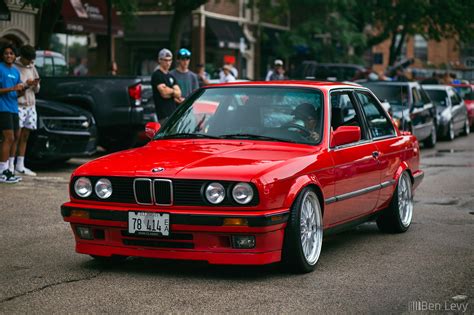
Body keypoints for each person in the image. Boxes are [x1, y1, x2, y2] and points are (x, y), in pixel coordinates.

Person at [13, 44, 40, 176]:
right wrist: (26, 84)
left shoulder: (32, 66)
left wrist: (35, 84)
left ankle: (20, 165)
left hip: (31, 105)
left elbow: (37, 89)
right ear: (22, 57)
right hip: (19, 104)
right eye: (28, 59)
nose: (30, 62)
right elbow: (14, 87)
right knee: (15, 136)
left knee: (25, 136)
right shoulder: (14, 66)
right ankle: (10, 165)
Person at [0, 44, 25, 183]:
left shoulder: (16, 71)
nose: (9, 56)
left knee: (16, 137)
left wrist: (25, 88)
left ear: (15, 56)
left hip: (14, 108)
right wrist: (12, 88)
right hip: (2, 108)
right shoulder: (0, 68)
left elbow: (18, 93)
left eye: (11, 53)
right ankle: (2, 171)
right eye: (6, 53)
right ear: (2, 55)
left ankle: (9, 169)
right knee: (8, 138)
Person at [151, 48, 182, 123]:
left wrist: (170, 92)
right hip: (163, 115)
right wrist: (173, 92)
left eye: (170, 60)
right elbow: (164, 93)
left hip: (173, 114)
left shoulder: (171, 76)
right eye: (165, 60)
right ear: (160, 60)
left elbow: (179, 93)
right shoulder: (157, 75)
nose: (168, 63)